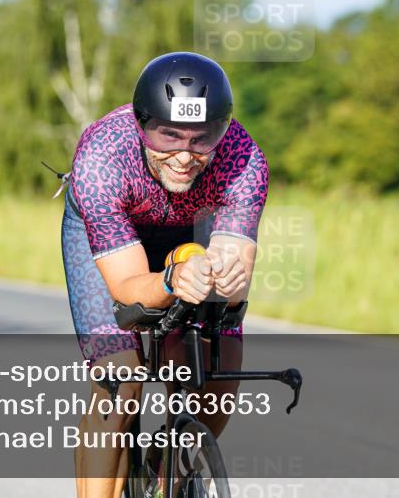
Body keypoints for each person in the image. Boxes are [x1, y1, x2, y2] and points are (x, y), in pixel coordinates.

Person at [61, 51, 269, 498]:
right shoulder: (102, 160)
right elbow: (129, 290)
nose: (183, 156)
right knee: (121, 381)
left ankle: (166, 468)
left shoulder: (242, 158)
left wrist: (225, 284)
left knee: (217, 367)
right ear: (142, 125)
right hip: (113, 238)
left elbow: (234, 269)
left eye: (201, 138)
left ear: (223, 130)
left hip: (193, 231)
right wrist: (173, 281)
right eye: (167, 135)